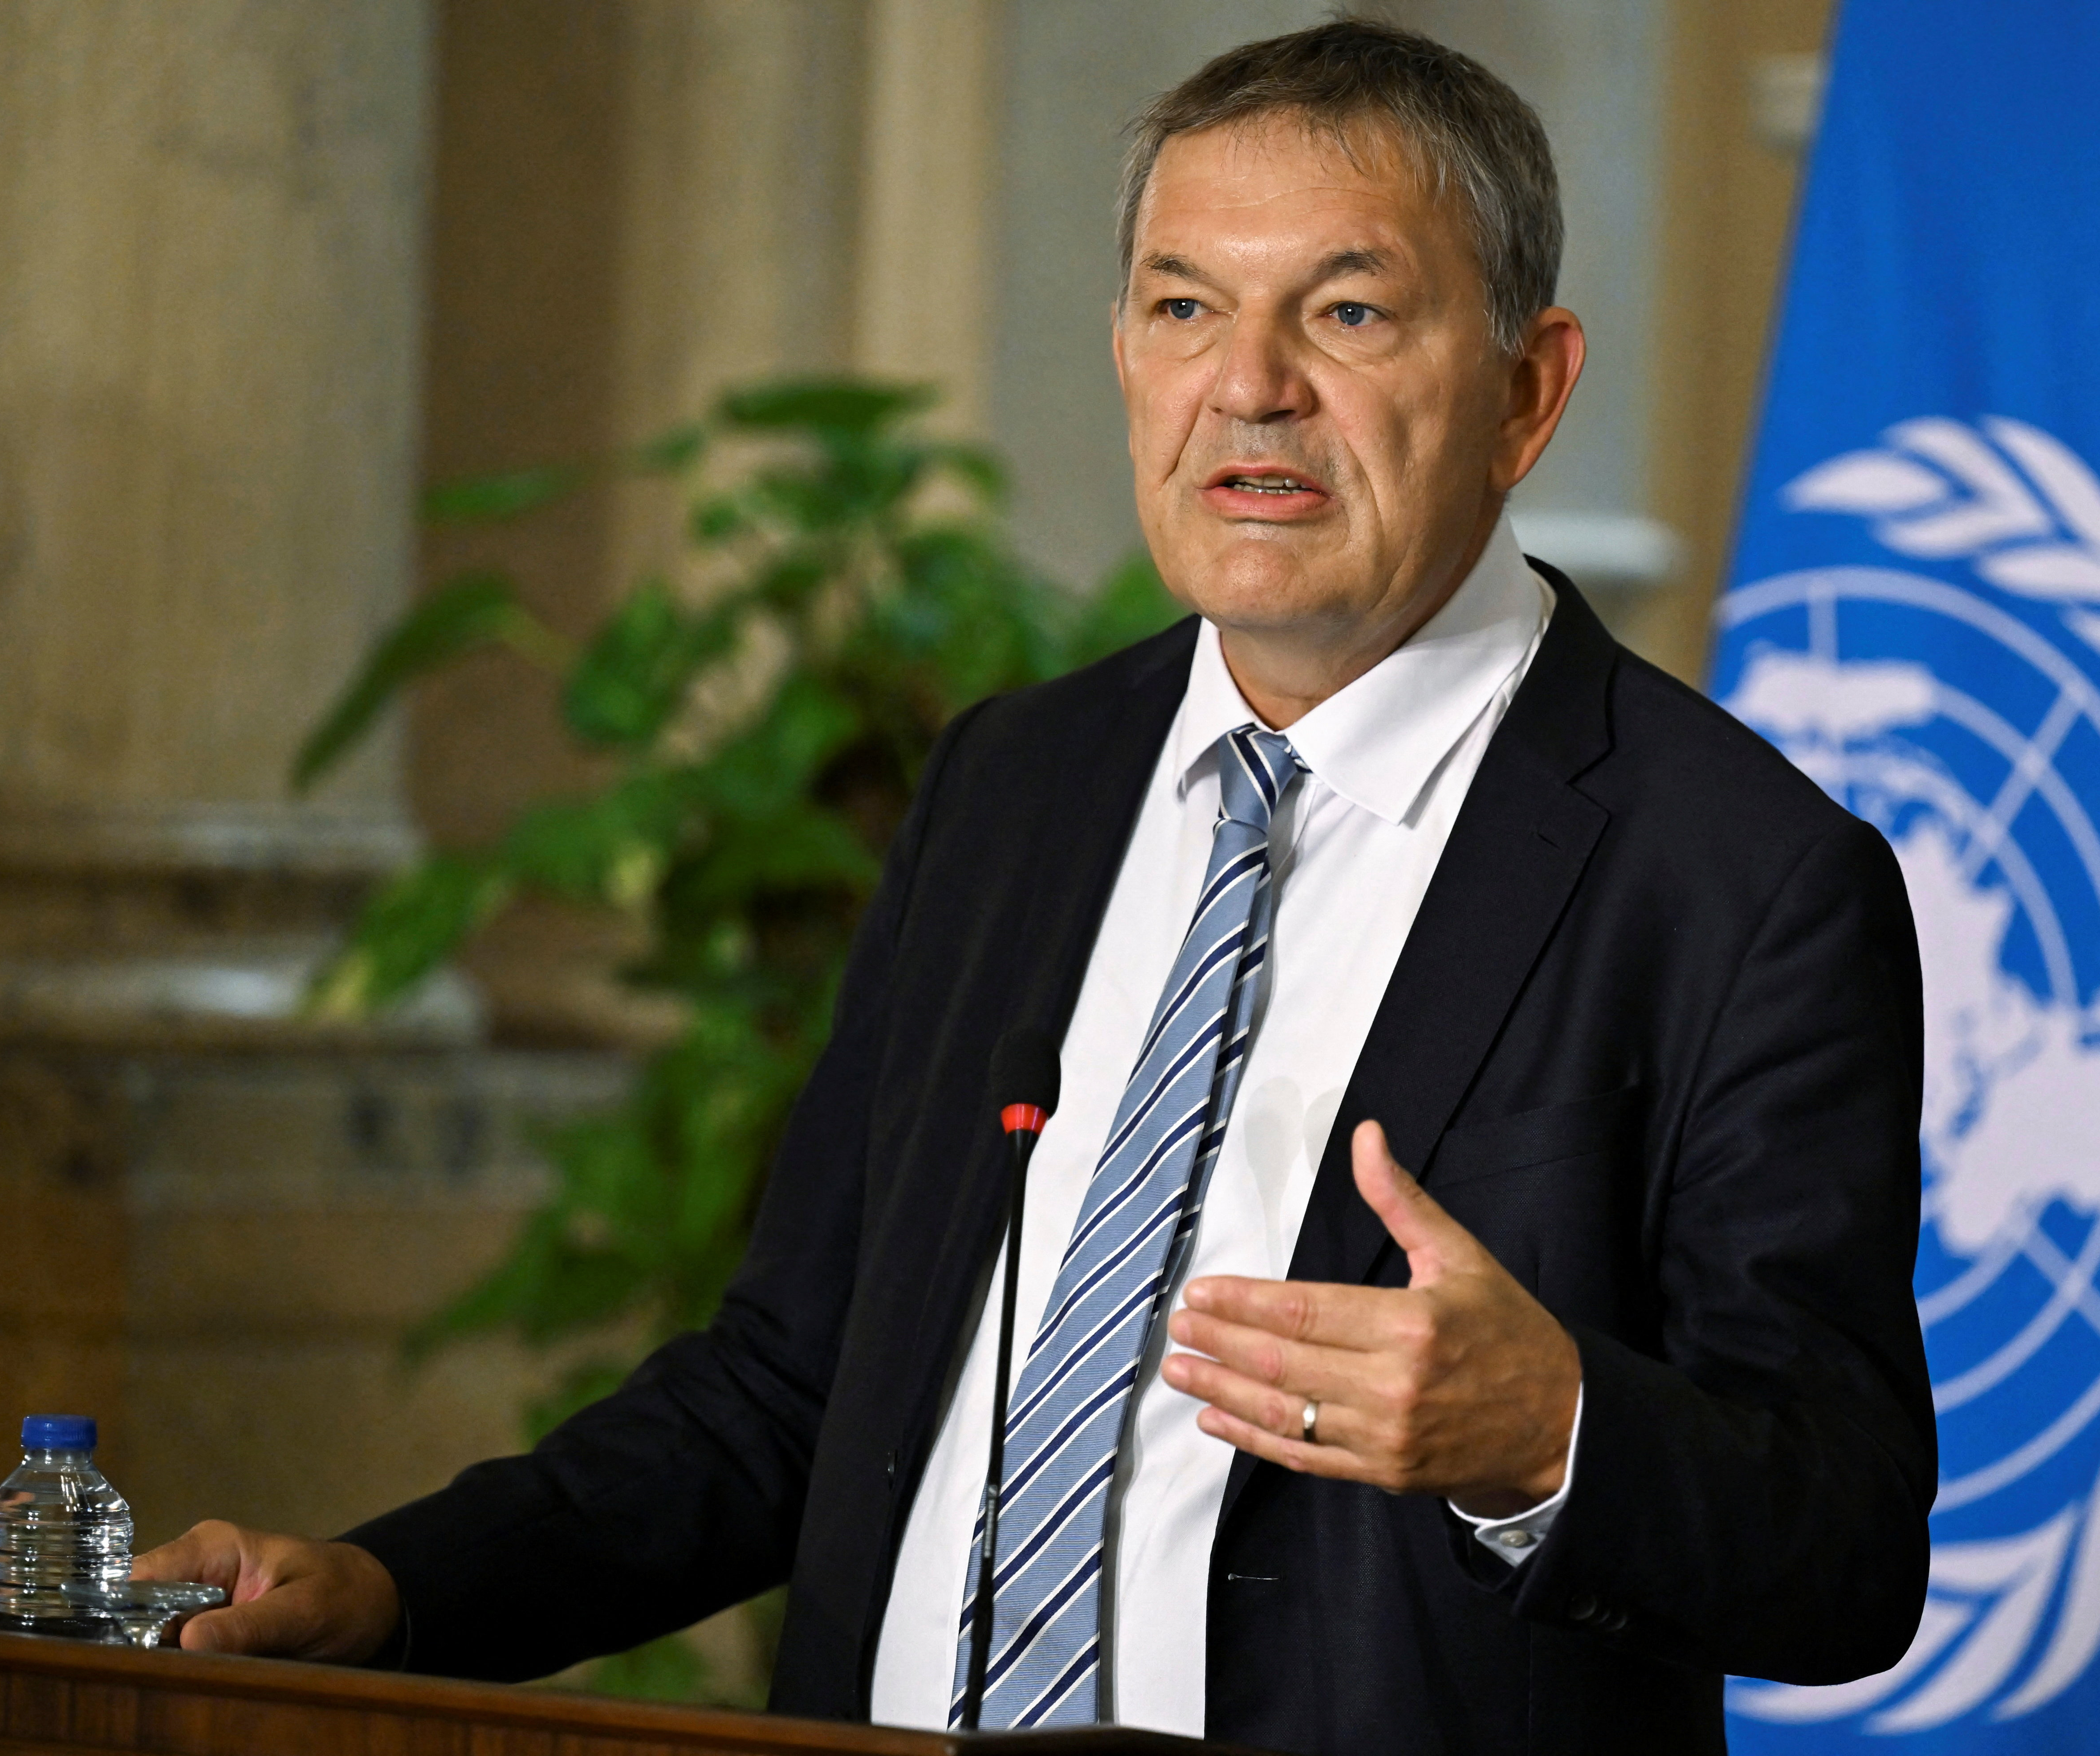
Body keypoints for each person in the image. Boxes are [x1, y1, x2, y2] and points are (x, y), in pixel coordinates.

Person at [137, 20, 1934, 1753]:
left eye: (1351, 310)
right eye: (1183, 308)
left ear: (1526, 389)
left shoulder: (1739, 875)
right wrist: (389, 1586)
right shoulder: (1017, 783)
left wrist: (1551, 1430)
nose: (1251, 384)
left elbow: (1845, 1550)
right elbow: (791, 1385)